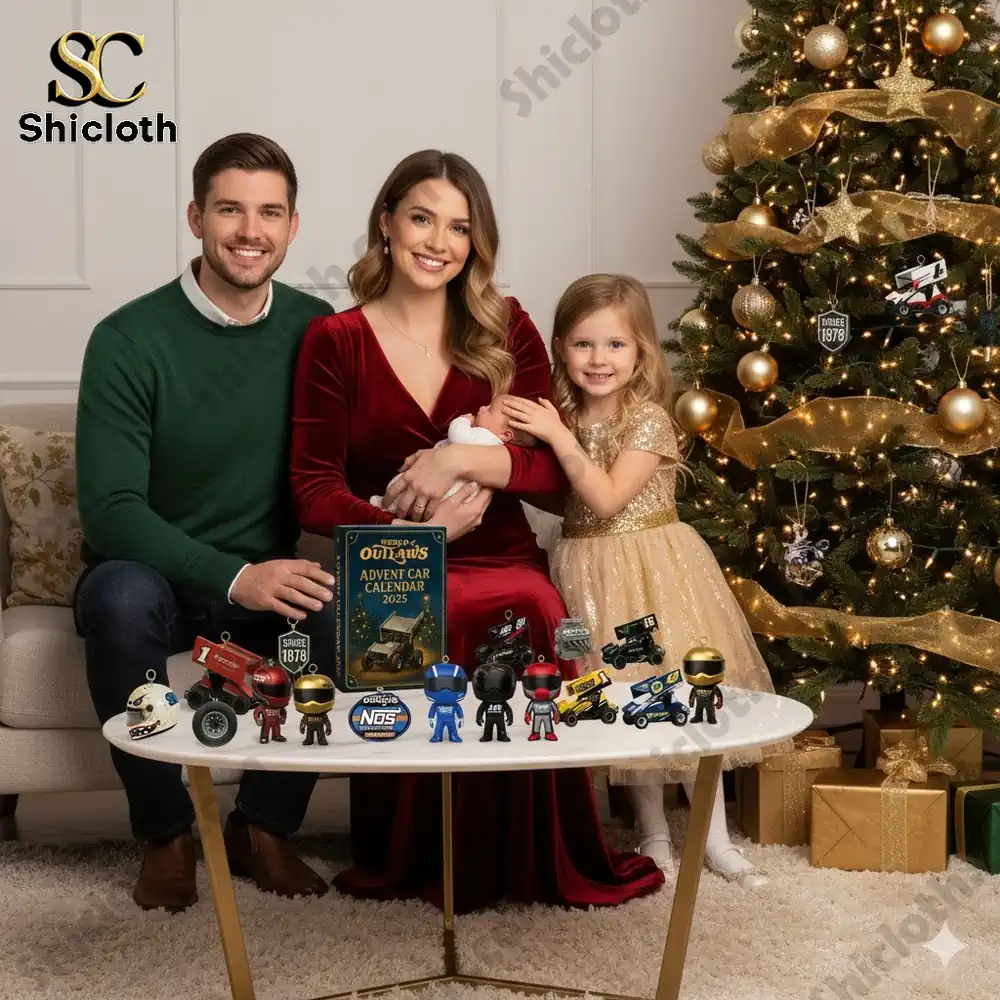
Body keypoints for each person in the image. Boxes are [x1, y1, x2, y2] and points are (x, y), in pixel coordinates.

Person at [289, 149, 663, 912]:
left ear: (476, 243)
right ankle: (414, 858)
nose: (438, 242)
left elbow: (554, 476)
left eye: (460, 227)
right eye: (422, 218)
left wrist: (463, 458)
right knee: (419, 613)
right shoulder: (336, 340)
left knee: (531, 608)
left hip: (503, 556)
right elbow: (312, 489)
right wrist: (412, 531)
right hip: (395, 557)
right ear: (387, 224)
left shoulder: (507, 325)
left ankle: (534, 856)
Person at [74, 133, 337, 913]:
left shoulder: (315, 328)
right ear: (196, 217)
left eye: (269, 212)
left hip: (262, 578)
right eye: (230, 209)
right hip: (147, 575)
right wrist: (235, 576)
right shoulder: (127, 339)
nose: (249, 230)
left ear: (293, 226)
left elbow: (344, 462)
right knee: (120, 601)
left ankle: (265, 827)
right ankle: (166, 835)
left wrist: (438, 478)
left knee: (342, 604)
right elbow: (113, 510)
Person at [502, 273, 790, 888]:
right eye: (582, 344)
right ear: (558, 348)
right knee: (625, 697)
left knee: (684, 698)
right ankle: (653, 831)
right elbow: (571, 502)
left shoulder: (650, 420)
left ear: (641, 353)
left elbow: (607, 499)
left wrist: (554, 435)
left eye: (615, 345)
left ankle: (715, 840)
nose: (598, 360)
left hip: (655, 569)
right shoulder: (567, 413)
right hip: (585, 569)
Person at [369, 394, 535, 508]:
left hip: (447, 487)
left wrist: (463, 420)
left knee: (403, 488)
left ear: (505, 435)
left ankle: (384, 505)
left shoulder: (485, 438)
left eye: (490, 410)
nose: (483, 408)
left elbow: (458, 437)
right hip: (453, 492)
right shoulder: (494, 447)